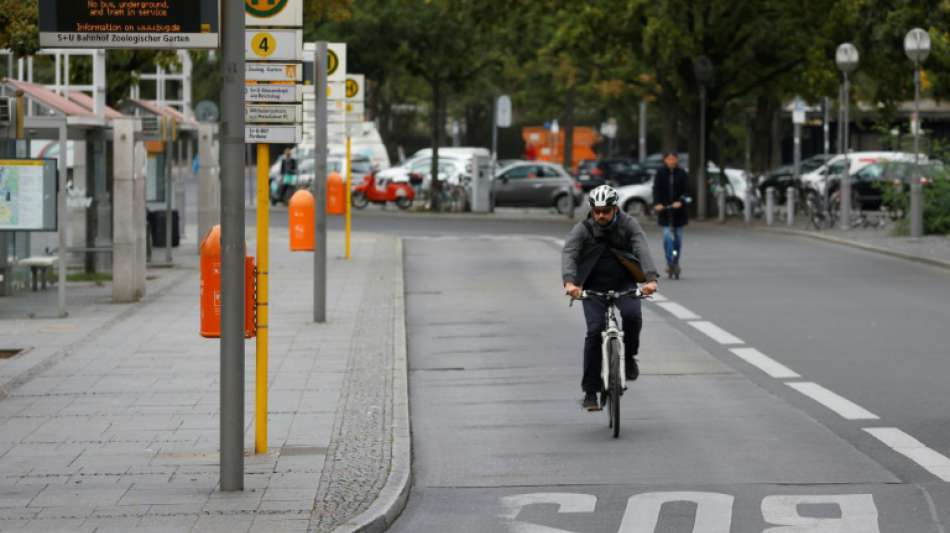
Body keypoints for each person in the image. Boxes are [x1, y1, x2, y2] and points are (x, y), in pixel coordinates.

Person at [562, 185, 659, 411]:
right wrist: (570, 282)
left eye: (606, 210)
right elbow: (570, 252)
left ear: (615, 208)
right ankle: (590, 391)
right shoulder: (583, 228)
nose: (601, 215)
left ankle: (629, 356)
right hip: (593, 286)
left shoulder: (628, 225)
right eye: (596, 211)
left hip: (623, 283)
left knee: (632, 316)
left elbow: (641, 247)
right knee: (595, 332)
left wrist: (651, 279)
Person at [652, 152, 689, 279]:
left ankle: (676, 261)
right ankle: (669, 262)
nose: (672, 161)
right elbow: (656, 189)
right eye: (669, 159)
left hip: (679, 212)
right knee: (667, 237)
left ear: (677, 160)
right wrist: (657, 204)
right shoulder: (660, 173)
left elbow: (686, 191)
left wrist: (681, 201)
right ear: (665, 160)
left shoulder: (682, 173)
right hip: (665, 211)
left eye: (674, 159)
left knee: (678, 238)